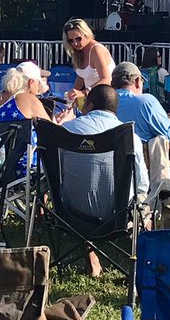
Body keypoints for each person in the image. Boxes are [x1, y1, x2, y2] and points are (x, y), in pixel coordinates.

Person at [63, 83, 148, 276]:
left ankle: (91, 255)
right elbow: (143, 184)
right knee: (144, 203)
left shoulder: (65, 131)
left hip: (69, 215)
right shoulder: (130, 137)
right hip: (117, 217)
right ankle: (141, 266)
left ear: (89, 105)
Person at [112, 62, 170, 151]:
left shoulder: (102, 103)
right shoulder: (145, 102)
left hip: (109, 161)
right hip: (140, 162)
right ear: (138, 81)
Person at [63, 18, 115, 104]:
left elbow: (106, 79)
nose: (75, 43)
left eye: (78, 38)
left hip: (106, 99)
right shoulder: (79, 52)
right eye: (71, 41)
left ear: (86, 33)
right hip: (92, 99)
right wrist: (73, 96)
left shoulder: (96, 50)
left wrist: (83, 92)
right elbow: (82, 76)